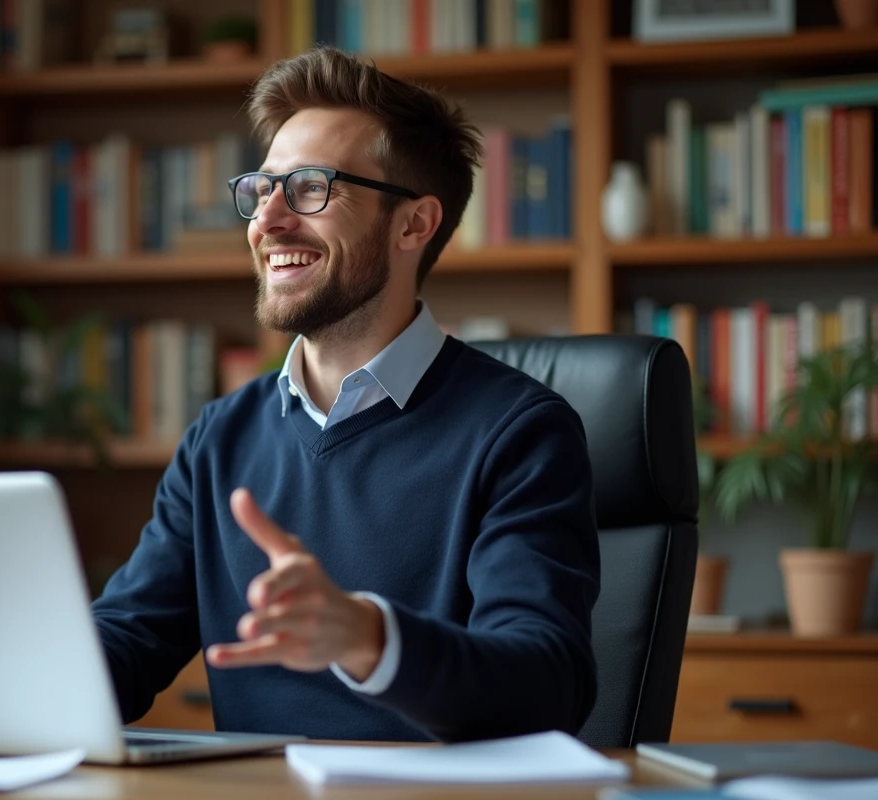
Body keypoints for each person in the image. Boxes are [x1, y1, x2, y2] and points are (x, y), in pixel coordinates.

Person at [91, 45, 600, 744]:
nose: (267, 222)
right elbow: (126, 640)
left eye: (308, 188)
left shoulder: (521, 433)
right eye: (261, 189)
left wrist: (369, 637)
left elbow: (548, 684)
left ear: (413, 225)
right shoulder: (220, 437)